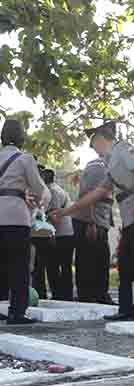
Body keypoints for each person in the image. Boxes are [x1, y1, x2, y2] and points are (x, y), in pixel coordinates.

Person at [51, 120, 134, 321]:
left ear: (101, 139)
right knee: (126, 263)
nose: (94, 149)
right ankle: (128, 309)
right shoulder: (110, 165)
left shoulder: (123, 148)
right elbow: (96, 193)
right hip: (130, 216)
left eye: (93, 144)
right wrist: (65, 211)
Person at [0, 119, 49, 324]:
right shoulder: (25, 159)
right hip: (16, 216)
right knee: (19, 265)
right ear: (21, 138)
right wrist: (39, 205)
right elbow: (38, 189)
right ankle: (17, 312)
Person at [72, 153, 115, 304]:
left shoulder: (107, 167)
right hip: (90, 219)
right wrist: (91, 222)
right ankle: (90, 295)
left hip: (99, 219)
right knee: (91, 259)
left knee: (98, 259)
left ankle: (97, 294)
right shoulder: (98, 166)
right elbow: (88, 193)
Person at [44, 167, 76, 301]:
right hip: (68, 233)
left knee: (53, 265)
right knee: (65, 265)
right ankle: (66, 294)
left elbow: (55, 216)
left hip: (60, 234)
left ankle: (59, 294)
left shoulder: (52, 191)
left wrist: (51, 233)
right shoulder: (59, 189)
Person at [31, 166, 56, 300]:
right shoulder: (45, 189)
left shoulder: (41, 189)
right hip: (41, 230)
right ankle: (40, 292)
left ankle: (39, 291)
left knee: (37, 265)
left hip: (37, 230)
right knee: (38, 265)